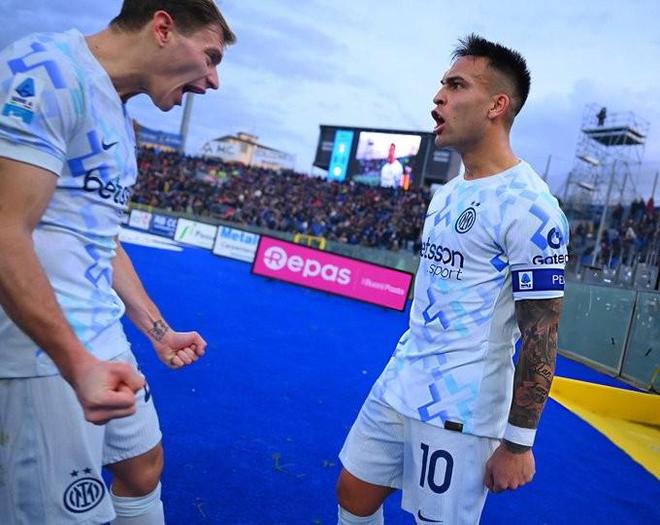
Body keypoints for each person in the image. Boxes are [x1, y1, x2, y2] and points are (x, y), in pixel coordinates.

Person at [0, 1, 235, 523]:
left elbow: (99, 236)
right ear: (163, 27)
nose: (213, 81)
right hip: (41, 352)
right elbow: (4, 231)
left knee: (142, 466)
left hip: (100, 335)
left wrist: (157, 331)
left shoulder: (118, 114)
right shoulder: (46, 70)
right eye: (211, 57)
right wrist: (74, 362)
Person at [336, 34, 569, 524]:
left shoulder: (532, 207)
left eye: (456, 85)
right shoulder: (446, 193)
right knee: (352, 494)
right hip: (401, 379)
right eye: (442, 84)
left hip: (460, 407)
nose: (438, 98)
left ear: (496, 105)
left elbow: (542, 333)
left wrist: (518, 442)